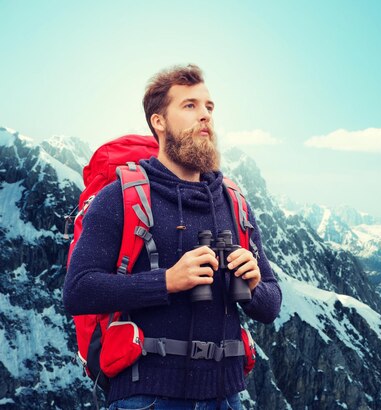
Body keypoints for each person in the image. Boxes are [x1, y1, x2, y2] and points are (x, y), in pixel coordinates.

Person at [63, 64, 282, 410]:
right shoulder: (121, 197)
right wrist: (167, 281)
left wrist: (254, 285)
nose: (205, 116)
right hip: (147, 396)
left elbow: (271, 306)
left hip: (227, 397)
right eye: (190, 106)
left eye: (209, 107)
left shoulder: (234, 203)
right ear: (159, 122)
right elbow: (78, 291)